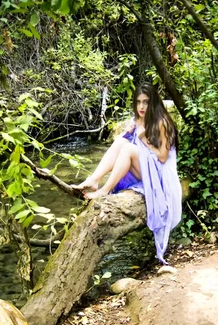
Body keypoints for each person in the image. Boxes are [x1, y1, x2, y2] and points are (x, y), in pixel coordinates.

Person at [72, 83, 182, 263]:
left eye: (146, 102)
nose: (141, 107)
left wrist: (143, 138)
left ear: (153, 102)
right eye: (138, 102)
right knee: (121, 143)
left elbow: (162, 157)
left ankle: (104, 191)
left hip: (163, 178)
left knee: (128, 150)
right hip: (148, 169)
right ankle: (94, 180)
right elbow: (129, 143)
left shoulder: (162, 122)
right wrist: (129, 133)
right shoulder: (138, 119)